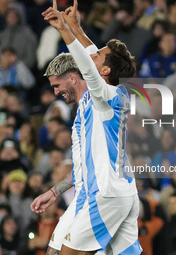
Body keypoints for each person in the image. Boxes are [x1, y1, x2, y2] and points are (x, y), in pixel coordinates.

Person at [32, 1, 141, 254]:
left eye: (98, 57)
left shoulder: (108, 96)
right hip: (99, 193)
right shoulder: (91, 102)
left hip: (106, 194)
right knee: (54, 250)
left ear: (105, 70)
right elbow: (91, 52)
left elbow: (88, 66)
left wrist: (64, 31)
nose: (91, 55)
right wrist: (76, 27)